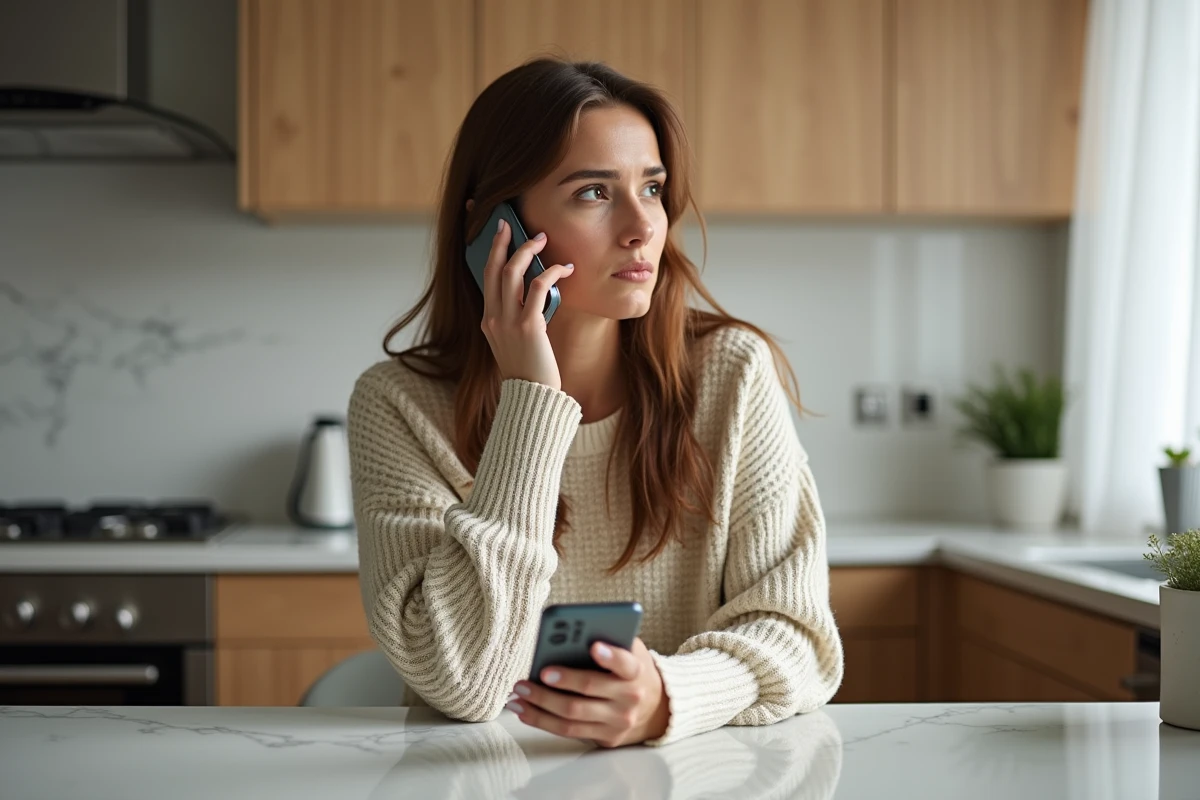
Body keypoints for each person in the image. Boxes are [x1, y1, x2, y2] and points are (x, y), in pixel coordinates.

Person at [347, 58, 844, 748]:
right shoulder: (398, 405)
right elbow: (463, 681)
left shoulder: (730, 375)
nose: (643, 226)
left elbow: (799, 639)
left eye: (653, 187)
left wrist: (667, 697)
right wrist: (531, 400)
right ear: (496, 227)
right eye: (593, 193)